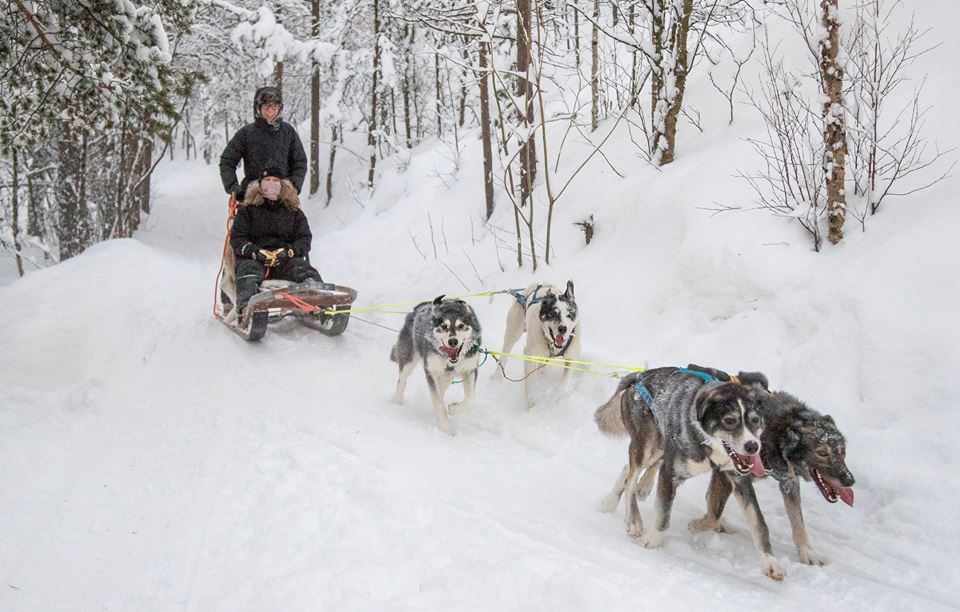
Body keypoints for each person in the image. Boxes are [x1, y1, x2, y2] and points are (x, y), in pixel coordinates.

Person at [231, 167, 322, 318]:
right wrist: (254, 252)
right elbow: (237, 239)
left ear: (282, 185)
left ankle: (320, 298)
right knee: (248, 273)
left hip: (285, 258)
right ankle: (247, 308)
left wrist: (290, 251)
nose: (271, 184)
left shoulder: (293, 212)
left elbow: (304, 238)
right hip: (254, 258)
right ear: (259, 185)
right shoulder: (247, 211)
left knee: (303, 269)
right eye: (267, 180)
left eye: (275, 181)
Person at [219, 86, 308, 203]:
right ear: (258, 108)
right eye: (266, 106)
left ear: (280, 108)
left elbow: (299, 162)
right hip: (252, 197)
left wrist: (294, 187)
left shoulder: (288, 132)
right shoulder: (246, 133)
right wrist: (234, 189)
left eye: (274, 106)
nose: (270, 111)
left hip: (282, 199)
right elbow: (227, 161)